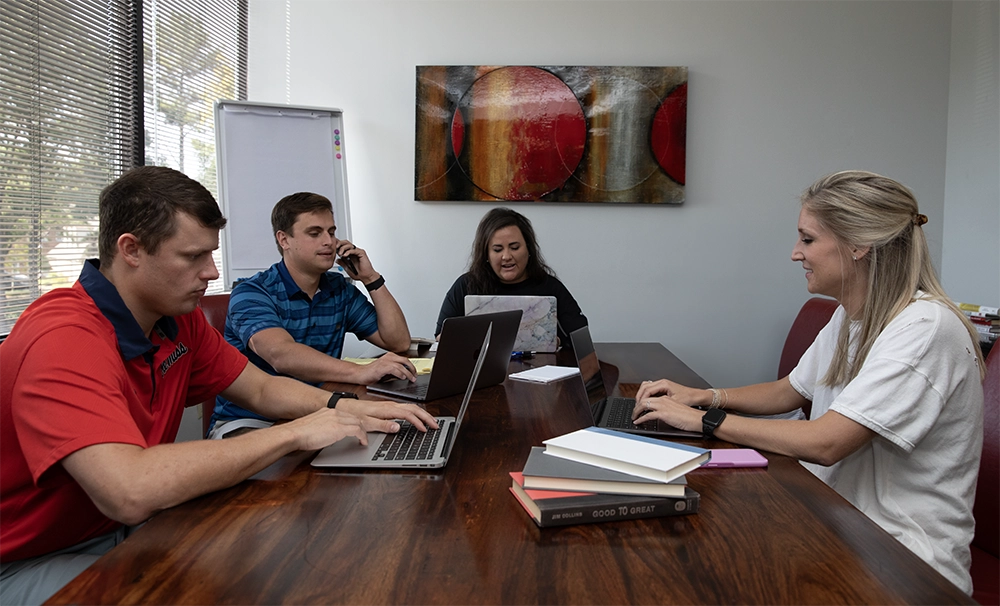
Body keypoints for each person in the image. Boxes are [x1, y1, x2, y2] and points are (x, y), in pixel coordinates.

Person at [0, 167, 436, 606]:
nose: (211, 272)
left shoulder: (177, 320)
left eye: (212, 254)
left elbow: (262, 390)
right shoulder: (63, 336)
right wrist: (294, 432)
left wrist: (346, 408)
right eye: (193, 257)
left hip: (115, 531)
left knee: (267, 570)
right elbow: (129, 491)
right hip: (25, 557)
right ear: (130, 249)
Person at [633, 170, 986, 594]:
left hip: (905, 561)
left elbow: (826, 442)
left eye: (808, 239)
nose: (795, 254)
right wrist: (706, 396)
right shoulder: (853, 314)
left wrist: (704, 421)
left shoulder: (926, 327)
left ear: (858, 245)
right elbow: (791, 390)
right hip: (839, 525)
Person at [210, 192, 418, 437]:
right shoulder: (251, 292)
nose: (329, 241)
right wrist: (360, 371)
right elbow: (281, 354)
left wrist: (371, 279)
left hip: (319, 413)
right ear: (284, 239)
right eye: (315, 233)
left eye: (331, 232)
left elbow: (398, 341)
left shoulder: (339, 289)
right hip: (252, 422)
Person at [435, 207, 587, 345]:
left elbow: (581, 338)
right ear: (486, 254)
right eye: (497, 249)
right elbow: (440, 336)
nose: (506, 256)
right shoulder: (466, 285)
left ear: (528, 249)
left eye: (514, 247)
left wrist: (554, 342)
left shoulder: (549, 286)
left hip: (541, 370)